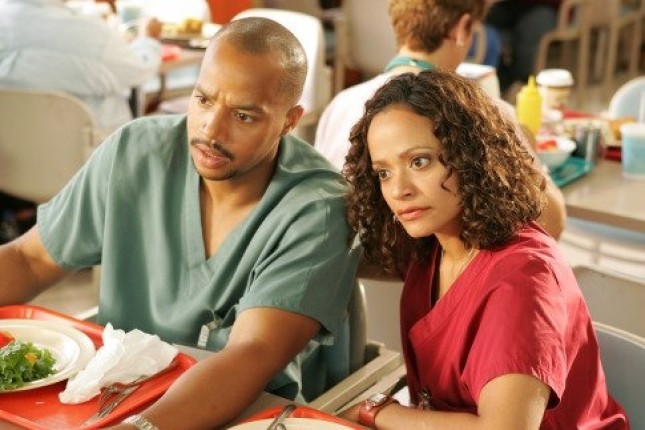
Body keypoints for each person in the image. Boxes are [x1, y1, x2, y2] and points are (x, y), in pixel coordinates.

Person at [0, 17, 359, 429]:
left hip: (238, 415)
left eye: (244, 116)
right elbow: (31, 260)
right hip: (107, 400)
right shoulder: (134, 151)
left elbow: (251, 355)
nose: (211, 129)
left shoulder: (318, 208)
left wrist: (138, 429)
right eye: (203, 100)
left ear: (289, 121)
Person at [340, 70, 628, 429]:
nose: (399, 190)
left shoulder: (524, 278)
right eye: (383, 172)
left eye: (419, 161)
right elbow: (340, 254)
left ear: (470, 156)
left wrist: (376, 411)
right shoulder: (432, 243)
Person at [314, 0, 566, 239]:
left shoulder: (339, 104)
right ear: (461, 29)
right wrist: (521, 146)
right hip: (433, 268)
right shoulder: (484, 111)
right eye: (382, 173)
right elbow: (551, 223)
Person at [0, 0, 163, 135]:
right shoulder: (91, 33)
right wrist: (148, 39)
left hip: (13, 160)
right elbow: (141, 69)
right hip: (94, 158)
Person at [485, 0, 562, 96]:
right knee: (484, 21)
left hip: (545, 6)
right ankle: (496, 82)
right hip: (507, 6)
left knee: (530, 30)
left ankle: (522, 84)